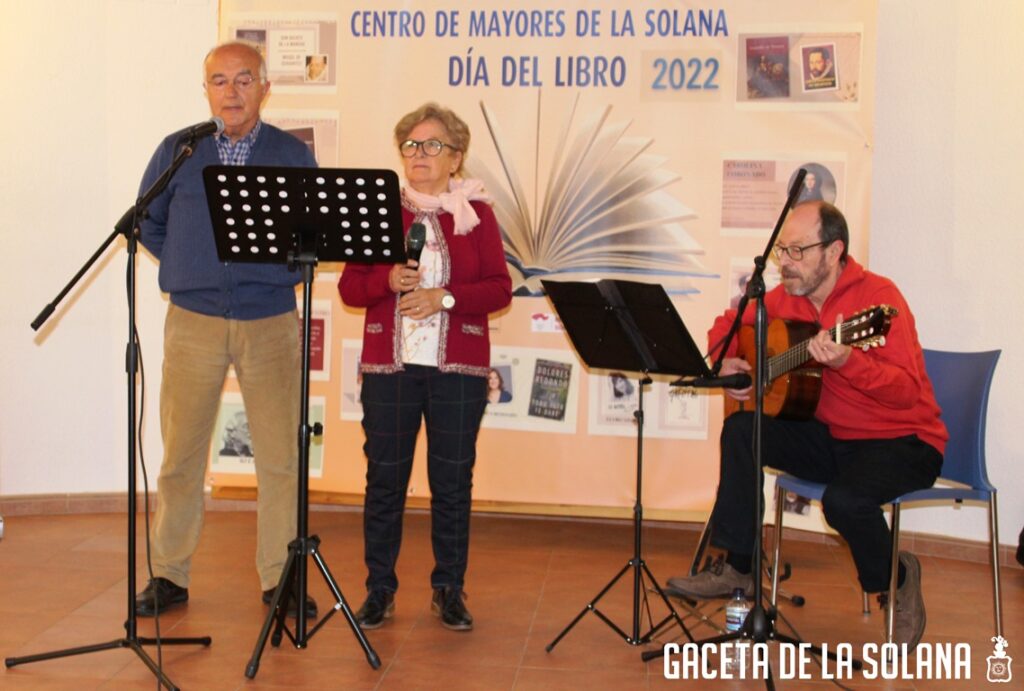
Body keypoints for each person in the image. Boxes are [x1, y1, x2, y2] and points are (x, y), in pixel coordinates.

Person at [665, 201, 947, 650]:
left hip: (902, 441)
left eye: (798, 251)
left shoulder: (879, 300)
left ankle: (897, 579)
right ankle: (740, 564)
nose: (786, 264)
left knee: (844, 502)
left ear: (834, 251)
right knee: (743, 431)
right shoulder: (786, 299)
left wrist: (851, 362)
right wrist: (730, 358)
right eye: (782, 251)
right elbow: (727, 325)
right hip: (833, 439)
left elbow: (906, 393)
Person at [134, 41, 317, 620]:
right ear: (206, 88)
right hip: (192, 322)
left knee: (280, 458)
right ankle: (168, 575)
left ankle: (281, 578)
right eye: (219, 81)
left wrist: (269, 273)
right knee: (181, 455)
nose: (231, 92)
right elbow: (148, 223)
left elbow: (312, 234)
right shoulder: (179, 148)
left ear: (265, 89)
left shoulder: (292, 153)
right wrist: (193, 270)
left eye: (244, 80)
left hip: (269, 321)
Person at [338, 103, 512, 632]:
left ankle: (449, 590)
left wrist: (445, 299)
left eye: (432, 145)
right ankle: (379, 590)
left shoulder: (478, 215)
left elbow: (500, 289)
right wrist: (385, 282)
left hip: (457, 368)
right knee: (384, 482)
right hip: (389, 369)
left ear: (455, 157)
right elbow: (351, 286)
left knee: (452, 483)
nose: (419, 154)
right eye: (411, 145)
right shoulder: (381, 210)